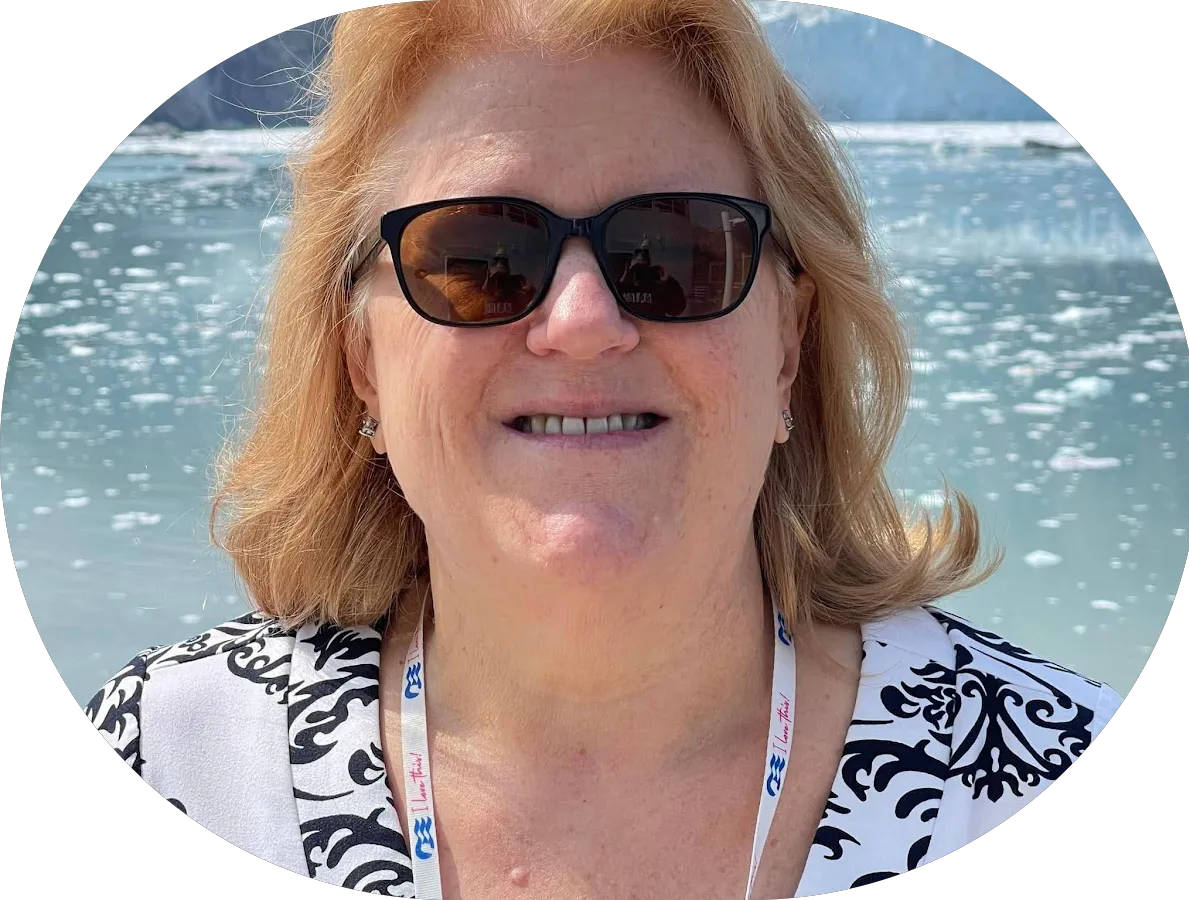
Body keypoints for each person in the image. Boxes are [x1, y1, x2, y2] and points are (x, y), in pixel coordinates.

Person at [84, 1, 1122, 897]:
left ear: (787, 347)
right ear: (363, 364)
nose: (583, 322)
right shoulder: (176, 760)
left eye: (675, 250)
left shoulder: (1037, 764)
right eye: (479, 257)